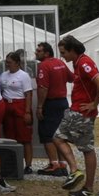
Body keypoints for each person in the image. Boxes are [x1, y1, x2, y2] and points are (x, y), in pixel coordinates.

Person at [53, 35, 99, 196]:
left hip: (81, 113)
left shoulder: (84, 63)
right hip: (80, 112)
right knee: (80, 146)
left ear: (72, 50)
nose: (62, 56)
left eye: (64, 52)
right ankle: (83, 182)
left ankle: (80, 177)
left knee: (63, 140)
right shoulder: (79, 63)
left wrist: (94, 104)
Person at [33, 41, 72, 176]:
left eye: (39, 51)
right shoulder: (60, 63)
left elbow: (43, 88)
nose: (36, 53)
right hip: (63, 102)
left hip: (51, 103)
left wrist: (39, 107)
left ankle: (53, 164)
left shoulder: (44, 66)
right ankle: (63, 164)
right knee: (60, 134)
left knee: (47, 134)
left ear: (46, 53)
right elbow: (72, 78)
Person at [0, 50, 36, 174]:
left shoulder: (23, 75)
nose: (7, 65)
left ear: (17, 63)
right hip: (7, 104)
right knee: (10, 136)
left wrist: (27, 112)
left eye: (9, 62)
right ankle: (13, 163)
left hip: (20, 104)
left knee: (24, 137)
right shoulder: (3, 75)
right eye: (6, 62)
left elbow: (28, 94)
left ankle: (28, 165)